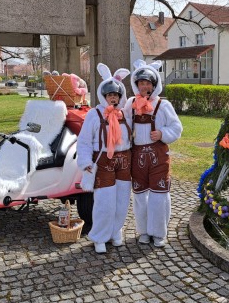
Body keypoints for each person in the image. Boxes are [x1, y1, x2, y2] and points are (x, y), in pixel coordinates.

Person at [124, 59, 182, 247]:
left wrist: (163, 133)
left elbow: (177, 127)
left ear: (154, 85)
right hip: (137, 156)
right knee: (140, 195)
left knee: (159, 194)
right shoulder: (130, 104)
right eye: (141, 83)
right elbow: (122, 125)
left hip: (158, 157)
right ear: (136, 84)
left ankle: (158, 233)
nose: (145, 86)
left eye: (148, 83)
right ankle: (143, 231)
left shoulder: (163, 105)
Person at [77, 63, 132, 253]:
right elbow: (83, 141)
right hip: (103, 162)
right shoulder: (94, 114)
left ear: (120, 96)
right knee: (104, 202)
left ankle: (115, 231)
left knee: (122, 200)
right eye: (110, 95)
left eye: (116, 95)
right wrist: (85, 163)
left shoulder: (125, 114)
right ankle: (100, 236)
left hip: (124, 161)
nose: (113, 98)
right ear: (103, 96)